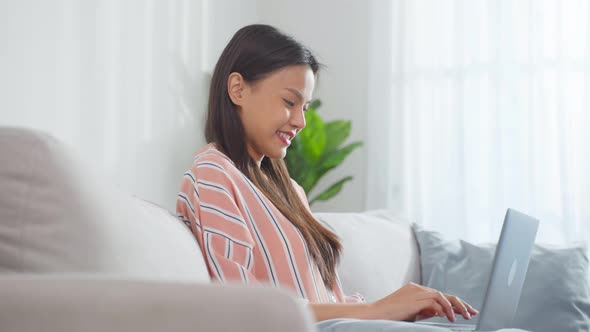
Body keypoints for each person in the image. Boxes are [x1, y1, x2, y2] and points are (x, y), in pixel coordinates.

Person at [176, 24, 478, 325]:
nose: (301, 121)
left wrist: (399, 309)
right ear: (238, 89)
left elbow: (327, 299)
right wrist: (376, 312)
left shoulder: (291, 191)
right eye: (289, 102)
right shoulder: (214, 173)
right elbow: (243, 306)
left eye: (305, 107)